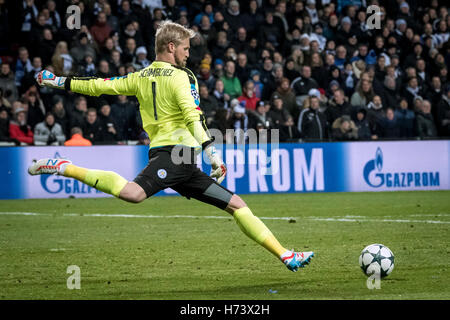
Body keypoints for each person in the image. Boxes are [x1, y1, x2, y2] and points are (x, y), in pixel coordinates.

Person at [30, 21, 313, 272]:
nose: (189, 54)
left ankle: (286, 255)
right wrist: (213, 154)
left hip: (184, 165)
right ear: (171, 46)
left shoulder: (138, 77)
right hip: (174, 158)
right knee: (133, 193)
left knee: (237, 205)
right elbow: (193, 115)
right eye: (186, 48)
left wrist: (58, 81)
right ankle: (65, 167)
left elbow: (97, 86)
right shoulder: (182, 76)